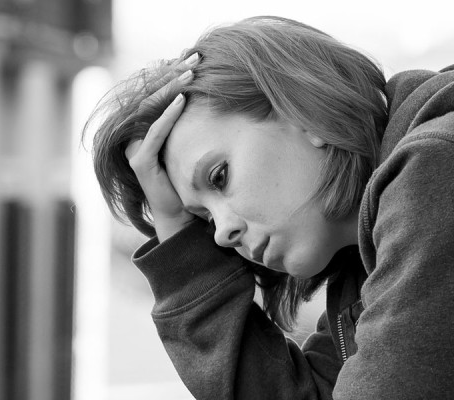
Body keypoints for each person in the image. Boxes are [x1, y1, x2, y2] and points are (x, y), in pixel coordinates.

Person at [84, 16, 454, 399]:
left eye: (219, 176)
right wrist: (176, 231)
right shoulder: (360, 272)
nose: (222, 234)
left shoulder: (437, 168)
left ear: (305, 109)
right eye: (204, 218)